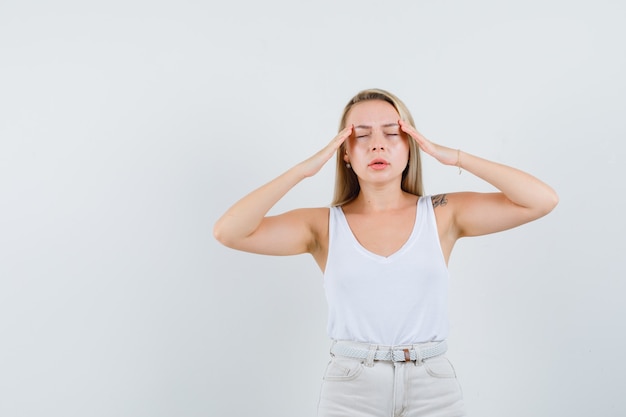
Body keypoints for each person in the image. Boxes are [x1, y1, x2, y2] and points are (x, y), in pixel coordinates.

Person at [213, 88, 558, 417]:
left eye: (392, 133)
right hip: (351, 390)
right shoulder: (322, 226)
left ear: (410, 145)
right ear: (344, 152)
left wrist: (452, 157)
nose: (377, 144)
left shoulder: (442, 213)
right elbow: (229, 231)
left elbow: (541, 200)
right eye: (361, 135)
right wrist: (304, 170)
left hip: (433, 386)